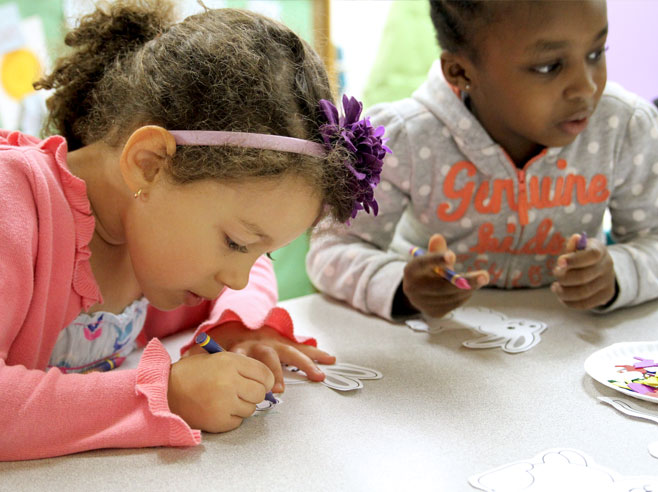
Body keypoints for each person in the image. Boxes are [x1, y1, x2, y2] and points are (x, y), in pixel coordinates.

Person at [0, 1, 387, 461]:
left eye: (260, 252)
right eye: (236, 243)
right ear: (149, 164)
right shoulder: (14, 205)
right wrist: (163, 393)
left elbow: (252, 282)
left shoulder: (151, 242)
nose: (239, 276)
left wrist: (237, 325)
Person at [307, 0, 658, 322]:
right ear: (460, 72)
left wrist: (617, 275)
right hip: (439, 344)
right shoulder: (404, 138)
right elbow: (332, 250)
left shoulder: (623, 126)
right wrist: (401, 285)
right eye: (550, 66)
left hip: (568, 345)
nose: (585, 87)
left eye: (596, 53)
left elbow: (651, 238)